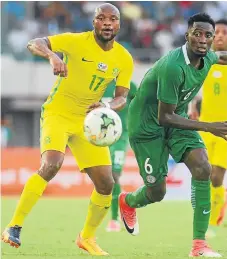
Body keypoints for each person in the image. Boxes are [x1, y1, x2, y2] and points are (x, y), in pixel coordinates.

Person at [1, 3, 133, 256]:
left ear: (119, 24)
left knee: (106, 183)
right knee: (52, 163)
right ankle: (13, 226)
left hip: (88, 122)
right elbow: (34, 42)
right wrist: (52, 55)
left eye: (113, 19)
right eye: (101, 18)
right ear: (93, 22)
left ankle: (87, 237)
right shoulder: (75, 41)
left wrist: (105, 104)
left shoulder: (123, 58)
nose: (107, 23)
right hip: (58, 114)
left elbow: (122, 97)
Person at [118, 13, 227, 257]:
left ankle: (199, 245)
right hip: (148, 126)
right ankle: (127, 202)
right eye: (197, 34)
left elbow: (221, 56)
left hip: (177, 119)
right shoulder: (172, 66)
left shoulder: (208, 57)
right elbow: (163, 117)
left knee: (202, 168)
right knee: (157, 192)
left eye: (207, 35)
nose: (202, 39)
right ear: (187, 34)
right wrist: (209, 126)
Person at [190, 19, 227, 238]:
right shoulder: (203, 63)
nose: (220, 36)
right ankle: (209, 215)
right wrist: (195, 103)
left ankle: (213, 222)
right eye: (217, 32)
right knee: (203, 175)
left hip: (225, 130)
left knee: (216, 176)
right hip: (205, 127)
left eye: (224, 32)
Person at [102, 81, 137, 232]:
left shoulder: (130, 86)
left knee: (114, 174)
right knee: (103, 179)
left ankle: (114, 219)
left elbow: (140, 104)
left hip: (120, 135)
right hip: (99, 136)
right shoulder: (98, 82)